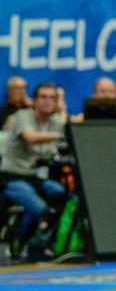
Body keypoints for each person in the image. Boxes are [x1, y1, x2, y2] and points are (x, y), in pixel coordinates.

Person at [0, 82, 71, 259]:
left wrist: (63, 114)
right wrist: (60, 134)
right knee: (39, 208)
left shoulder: (55, 121)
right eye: (43, 97)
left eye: (52, 98)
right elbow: (30, 137)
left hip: (35, 177)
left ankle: (41, 241)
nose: (47, 101)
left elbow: (70, 136)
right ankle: (18, 235)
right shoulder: (23, 116)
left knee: (65, 196)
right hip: (12, 177)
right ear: (35, 100)